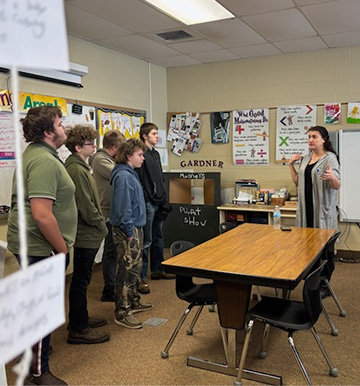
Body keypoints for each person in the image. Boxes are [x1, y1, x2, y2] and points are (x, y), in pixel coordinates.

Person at [7, 106, 77, 386]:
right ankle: (37, 372)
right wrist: (62, 249)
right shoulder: (44, 161)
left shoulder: (40, 154)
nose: (65, 129)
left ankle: (33, 357)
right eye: (61, 124)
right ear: (48, 132)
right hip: (40, 245)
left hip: (33, 243)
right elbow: (42, 214)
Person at [64, 125, 110, 344]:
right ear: (77, 146)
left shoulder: (81, 165)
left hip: (88, 231)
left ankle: (80, 318)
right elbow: (85, 204)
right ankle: (78, 327)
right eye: (90, 143)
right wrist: (101, 226)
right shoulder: (76, 169)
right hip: (85, 233)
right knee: (81, 280)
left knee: (84, 279)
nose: (94, 146)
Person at [110, 138, 153, 329]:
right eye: (140, 155)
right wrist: (129, 231)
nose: (143, 158)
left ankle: (133, 301)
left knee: (136, 267)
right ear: (129, 156)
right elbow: (123, 208)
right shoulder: (124, 177)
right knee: (126, 270)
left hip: (135, 226)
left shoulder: (130, 173)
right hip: (128, 229)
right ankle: (122, 311)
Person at [136, 123, 174, 294]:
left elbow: (159, 179)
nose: (157, 136)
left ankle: (158, 269)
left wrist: (164, 199)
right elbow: (140, 180)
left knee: (158, 237)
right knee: (146, 240)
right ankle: (141, 277)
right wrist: (146, 199)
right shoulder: (140, 154)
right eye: (154, 133)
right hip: (149, 202)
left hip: (159, 201)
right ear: (145, 136)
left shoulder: (155, 154)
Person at [89, 130, 125, 302]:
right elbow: (120, 174)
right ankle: (108, 290)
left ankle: (114, 287)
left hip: (115, 211)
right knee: (110, 253)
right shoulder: (100, 160)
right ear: (114, 147)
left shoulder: (110, 160)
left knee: (115, 252)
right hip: (108, 212)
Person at [289, 126, 341, 229]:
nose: (311, 140)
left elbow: (337, 185)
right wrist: (291, 165)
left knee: (322, 242)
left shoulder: (330, 158)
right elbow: (298, 183)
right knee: (305, 241)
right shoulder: (305, 159)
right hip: (305, 209)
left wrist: (332, 177)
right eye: (309, 137)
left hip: (321, 210)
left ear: (323, 140)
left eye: (314, 137)